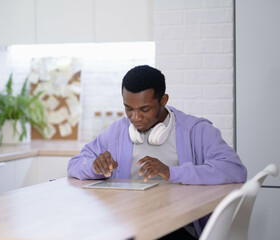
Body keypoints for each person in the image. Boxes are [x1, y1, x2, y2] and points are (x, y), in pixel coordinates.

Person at [67, 65, 247, 239]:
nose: (135, 118)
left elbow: (234, 169)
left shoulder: (195, 130)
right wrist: (93, 166)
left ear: (163, 100)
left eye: (145, 109)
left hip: (177, 228)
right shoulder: (117, 131)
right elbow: (74, 164)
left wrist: (172, 172)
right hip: (127, 224)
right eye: (129, 109)